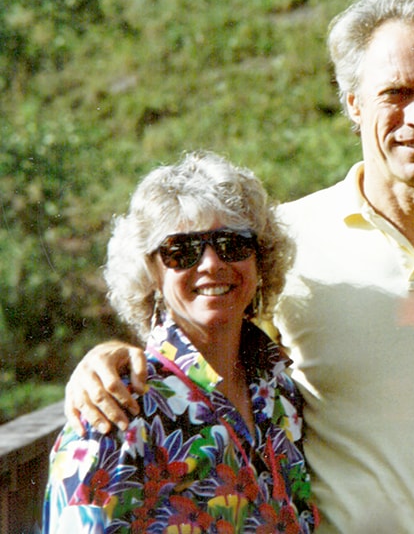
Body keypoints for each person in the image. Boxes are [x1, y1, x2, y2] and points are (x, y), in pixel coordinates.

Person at [64, 0, 414, 533]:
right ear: (353, 103)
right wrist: (109, 357)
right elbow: (206, 342)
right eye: (395, 93)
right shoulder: (284, 239)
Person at [44, 152, 317, 532]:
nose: (210, 263)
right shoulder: (119, 408)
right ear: (152, 271)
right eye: (181, 250)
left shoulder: (280, 393)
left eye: (232, 244)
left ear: (259, 259)